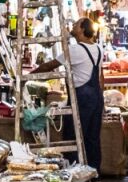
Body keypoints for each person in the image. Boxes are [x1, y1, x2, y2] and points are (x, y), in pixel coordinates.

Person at [32, 18, 104, 169]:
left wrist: (28, 76)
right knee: (92, 136)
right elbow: (100, 77)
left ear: (82, 30)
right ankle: (94, 170)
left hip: (82, 97)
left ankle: (73, 170)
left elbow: (50, 65)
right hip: (96, 96)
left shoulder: (75, 50)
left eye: (76, 24)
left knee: (73, 136)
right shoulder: (98, 48)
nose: (73, 26)